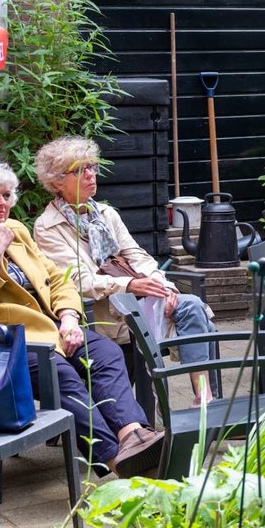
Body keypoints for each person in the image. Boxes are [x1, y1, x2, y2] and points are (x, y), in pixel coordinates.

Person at [0, 159, 164, 476]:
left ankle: (133, 434)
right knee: (62, 375)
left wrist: (69, 317)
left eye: (6, 195)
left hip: (51, 328)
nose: (2, 203)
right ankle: (115, 460)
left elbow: (57, 279)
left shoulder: (15, 230)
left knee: (106, 353)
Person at [32, 136, 218, 406]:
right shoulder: (47, 227)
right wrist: (128, 285)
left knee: (190, 306)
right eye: (79, 170)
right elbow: (76, 280)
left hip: (141, 302)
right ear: (57, 182)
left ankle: (204, 399)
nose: (91, 175)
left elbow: (136, 255)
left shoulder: (106, 214)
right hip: (102, 315)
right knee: (192, 317)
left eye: (92, 167)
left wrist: (163, 286)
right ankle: (184, 406)